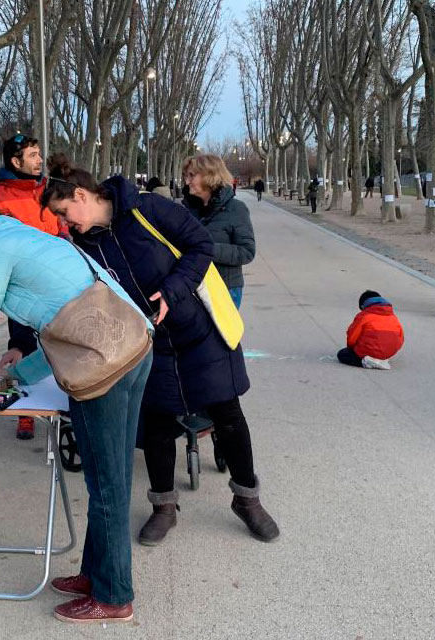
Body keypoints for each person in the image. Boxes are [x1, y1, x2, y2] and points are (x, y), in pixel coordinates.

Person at [40, 153, 279, 550]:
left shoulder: (148, 208)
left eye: (65, 213)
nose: (66, 224)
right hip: (149, 342)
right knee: (157, 424)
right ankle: (164, 506)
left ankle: (247, 499)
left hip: (200, 330)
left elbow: (200, 246)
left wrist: (172, 290)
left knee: (226, 412)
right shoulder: (83, 247)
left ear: (82, 194)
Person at [0, 209, 152, 625]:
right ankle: (97, 575)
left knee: (105, 483)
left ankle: (114, 597)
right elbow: (63, 330)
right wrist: (16, 373)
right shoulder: (32, 240)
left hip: (104, 368)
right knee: (111, 478)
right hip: (133, 346)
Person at [0, 133, 65, 440]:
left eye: (39, 154)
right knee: (22, 345)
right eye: (32, 155)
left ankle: (61, 403)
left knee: (59, 343)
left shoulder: (47, 190)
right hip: (21, 286)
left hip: (55, 282)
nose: (39, 160)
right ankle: (25, 412)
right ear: (15, 161)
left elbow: (62, 227)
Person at [182, 154, 255, 309]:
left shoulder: (236, 209)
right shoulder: (186, 210)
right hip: (191, 287)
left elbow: (246, 252)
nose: (186, 181)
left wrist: (206, 249)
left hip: (225, 289)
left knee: (220, 334)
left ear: (209, 176)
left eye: (191, 176)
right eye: (186, 176)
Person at [337, 291, 404, 370]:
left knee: (342, 354)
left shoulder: (364, 316)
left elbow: (352, 337)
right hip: (388, 353)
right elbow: (401, 339)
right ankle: (380, 359)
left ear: (363, 306)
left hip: (368, 351)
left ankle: (368, 361)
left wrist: (351, 349)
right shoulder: (393, 317)